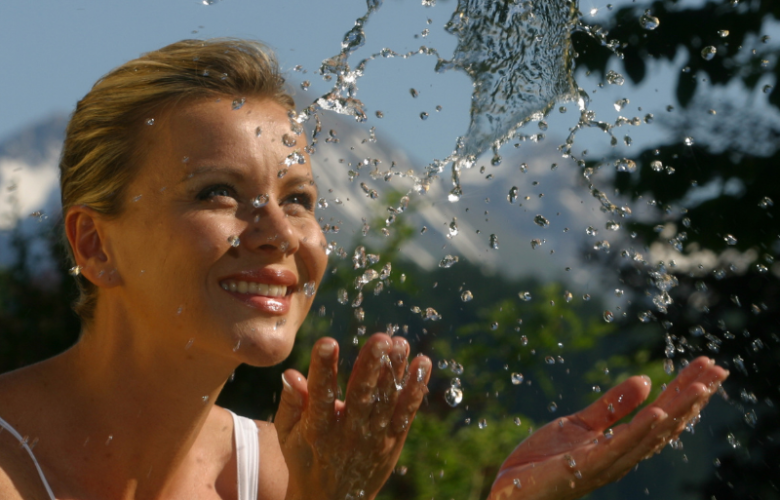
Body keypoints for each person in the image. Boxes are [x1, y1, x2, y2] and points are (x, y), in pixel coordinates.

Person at [0, 38, 728, 500]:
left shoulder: (277, 472)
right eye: (217, 192)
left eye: (299, 198)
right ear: (95, 246)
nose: (280, 235)